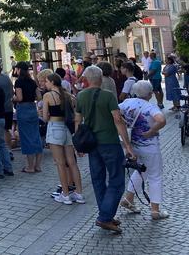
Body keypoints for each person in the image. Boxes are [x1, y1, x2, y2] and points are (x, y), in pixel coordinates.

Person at [75, 65, 135, 234]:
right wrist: (128, 145)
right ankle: (104, 217)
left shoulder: (80, 96)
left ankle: (106, 215)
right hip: (109, 143)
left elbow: (78, 121)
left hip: (91, 145)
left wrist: (78, 144)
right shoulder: (108, 96)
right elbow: (118, 120)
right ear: (101, 78)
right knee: (117, 180)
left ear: (86, 79)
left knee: (98, 180)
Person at [119, 80, 168, 219]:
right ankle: (155, 211)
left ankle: (128, 199)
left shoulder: (126, 103)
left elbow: (115, 113)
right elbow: (162, 120)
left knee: (141, 171)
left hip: (132, 145)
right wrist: (152, 131)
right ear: (150, 93)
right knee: (155, 176)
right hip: (149, 147)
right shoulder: (150, 107)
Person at [42, 74, 84, 205]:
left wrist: (45, 114)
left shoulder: (48, 96)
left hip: (54, 127)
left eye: (47, 81)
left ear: (52, 82)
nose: (45, 84)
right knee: (72, 162)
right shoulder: (67, 95)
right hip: (66, 128)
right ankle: (79, 193)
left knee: (60, 163)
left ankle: (65, 194)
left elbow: (44, 117)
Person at [13, 62, 43, 173]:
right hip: (32, 108)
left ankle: (29, 167)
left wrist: (13, 98)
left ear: (19, 69)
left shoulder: (18, 82)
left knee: (26, 138)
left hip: (23, 110)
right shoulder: (32, 82)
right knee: (36, 136)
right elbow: (39, 97)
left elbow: (19, 98)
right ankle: (38, 166)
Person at [0, 62, 14, 151]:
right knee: (6, 129)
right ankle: (9, 150)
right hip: (9, 107)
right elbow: (12, 92)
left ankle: (1, 150)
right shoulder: (7, 78)